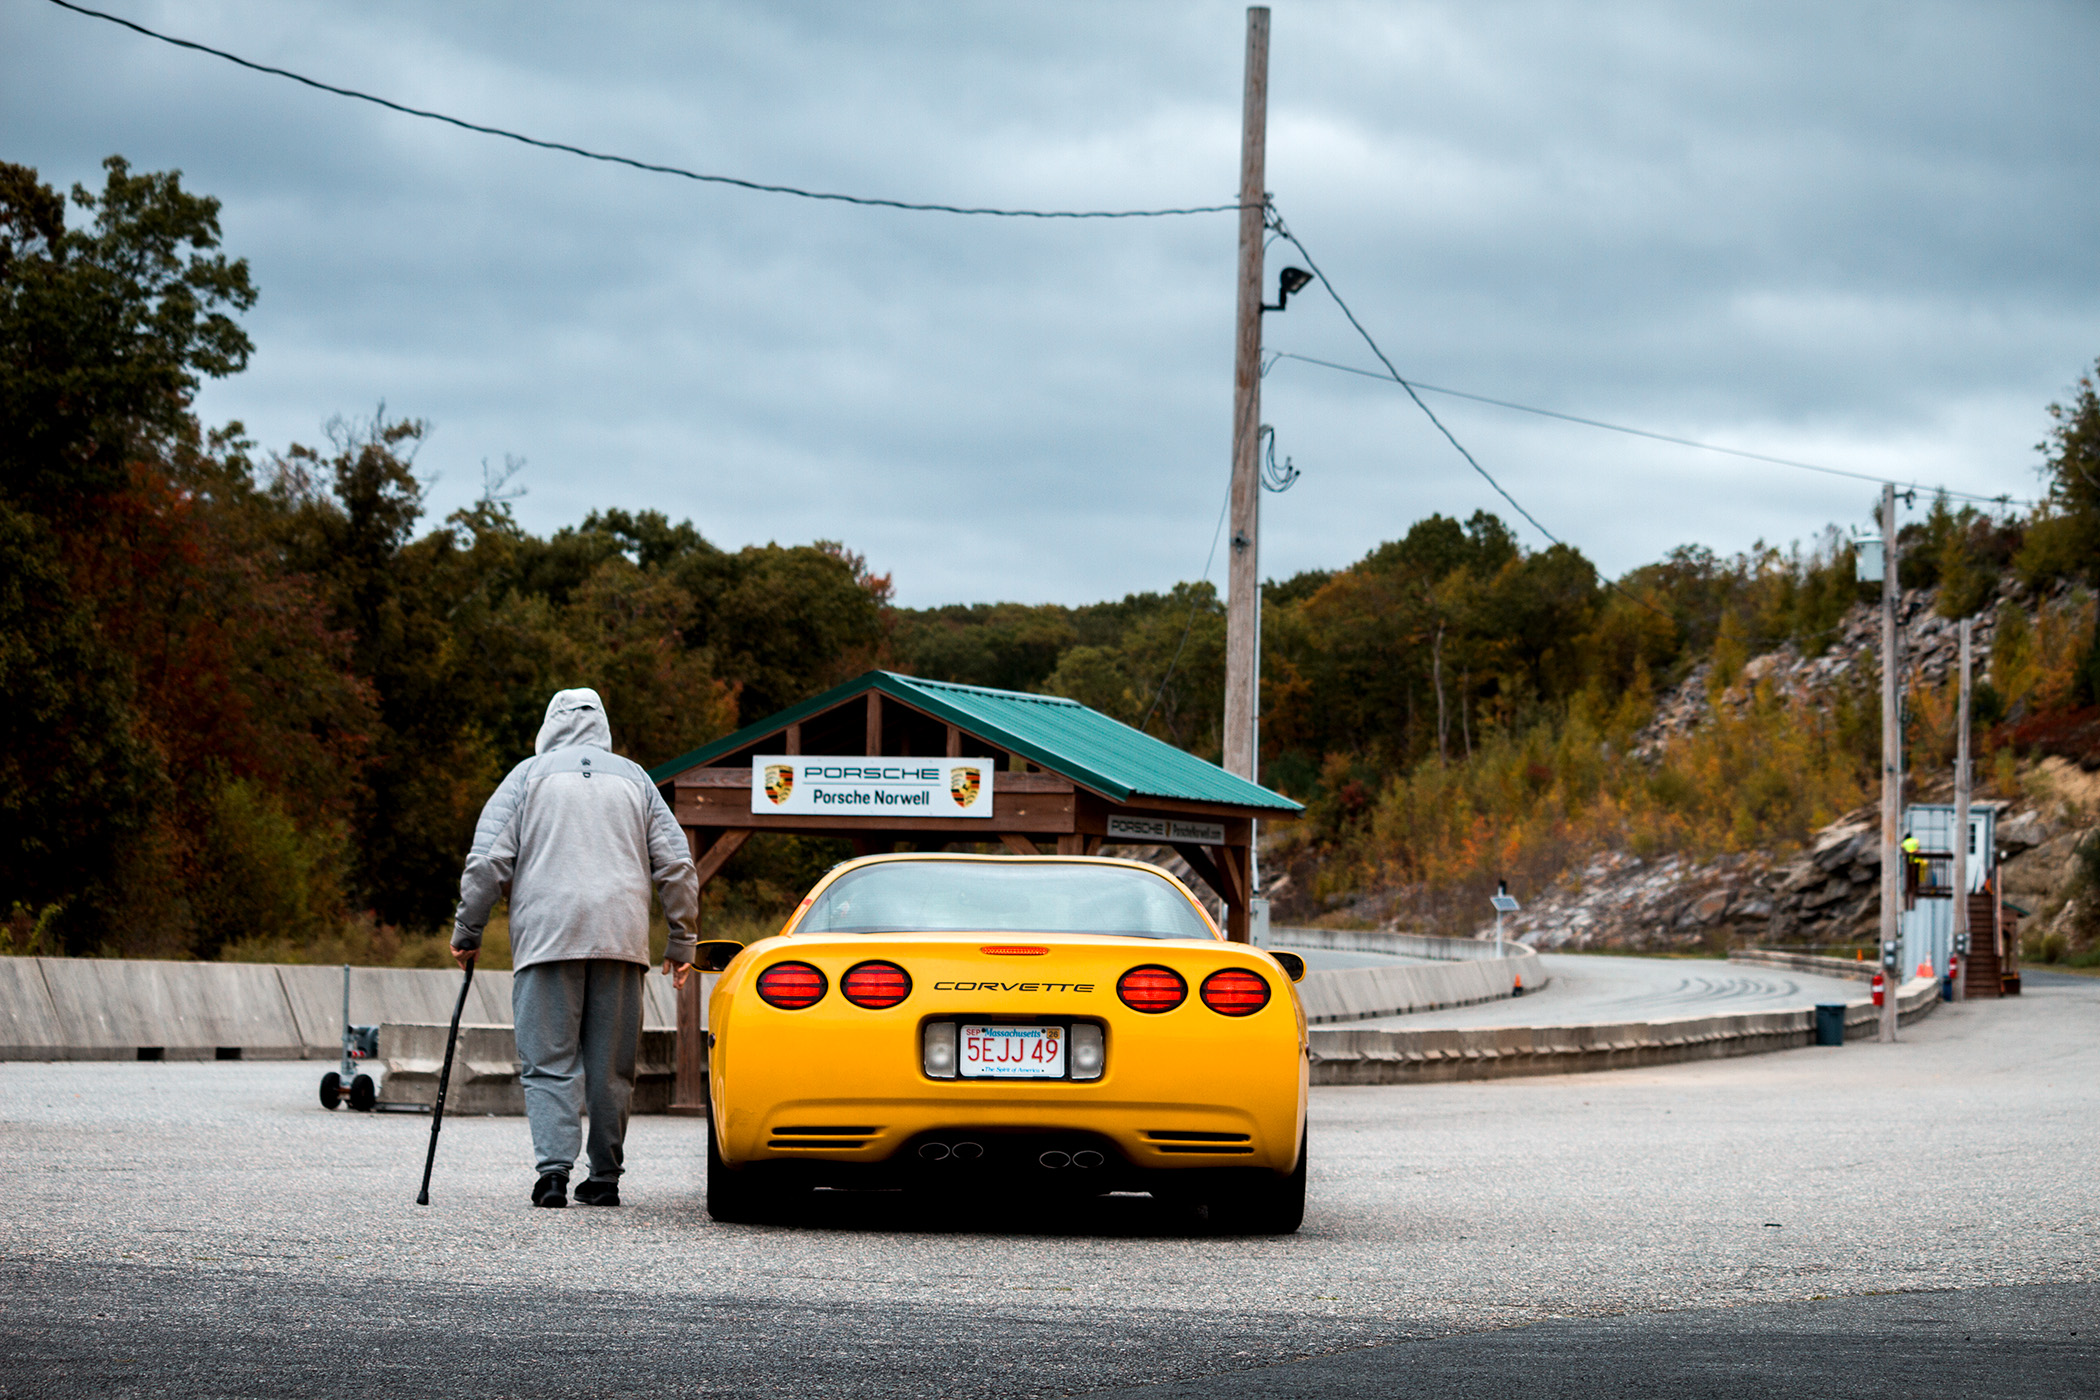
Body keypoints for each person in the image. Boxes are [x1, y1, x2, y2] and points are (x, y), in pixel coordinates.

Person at [452, 688, 699, 1208]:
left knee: (549, 1062)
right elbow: (676, 864)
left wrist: (468, 932)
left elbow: (487, 861)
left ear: (549, 724)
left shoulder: (526, 777)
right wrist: (681, 939)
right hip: (620, 938)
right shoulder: (636, 779)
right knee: (612, 1068)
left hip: (547, 938)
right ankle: (604, 1178)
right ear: (602, 725)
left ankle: (553, 1176)